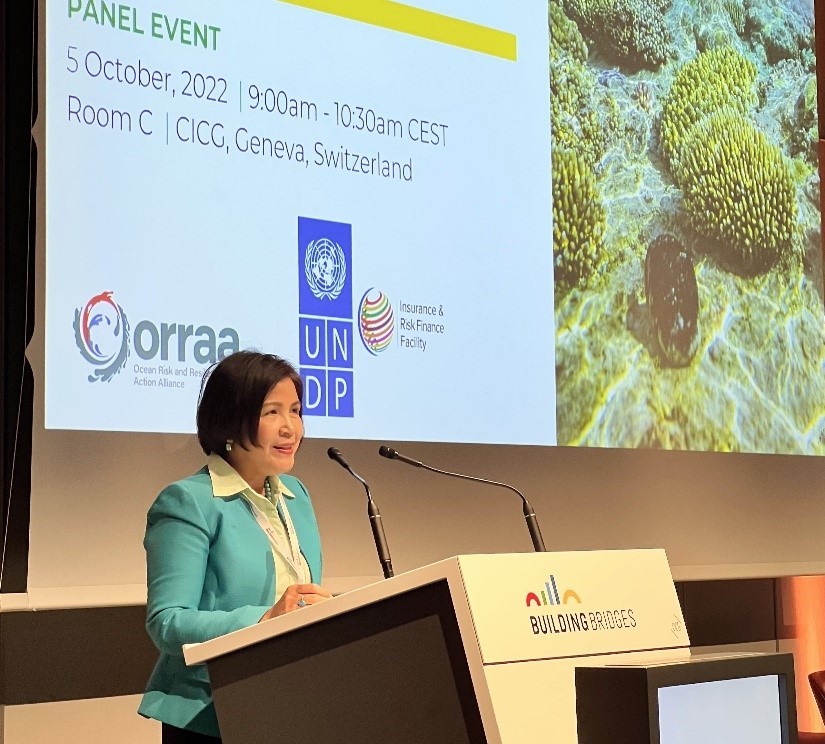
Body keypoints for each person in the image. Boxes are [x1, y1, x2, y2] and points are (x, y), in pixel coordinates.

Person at [138, 351, 332, 743]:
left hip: (289, 699)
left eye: (295, 411)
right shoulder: (189, 502)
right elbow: (167, 623)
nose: (290, 428)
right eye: (272, 412)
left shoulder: (295, 495)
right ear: (231, 419)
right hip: (212, 711)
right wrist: (264, 620)